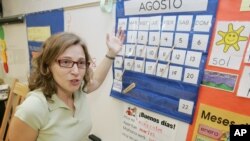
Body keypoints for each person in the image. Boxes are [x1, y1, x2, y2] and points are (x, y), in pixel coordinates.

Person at [8, 29, 125, 141]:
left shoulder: (78, 90)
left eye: (80, 62)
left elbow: (97, 80)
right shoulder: (33, 108)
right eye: (65, 62)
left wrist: (112, 52)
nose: (76, 71)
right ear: (48, 66)